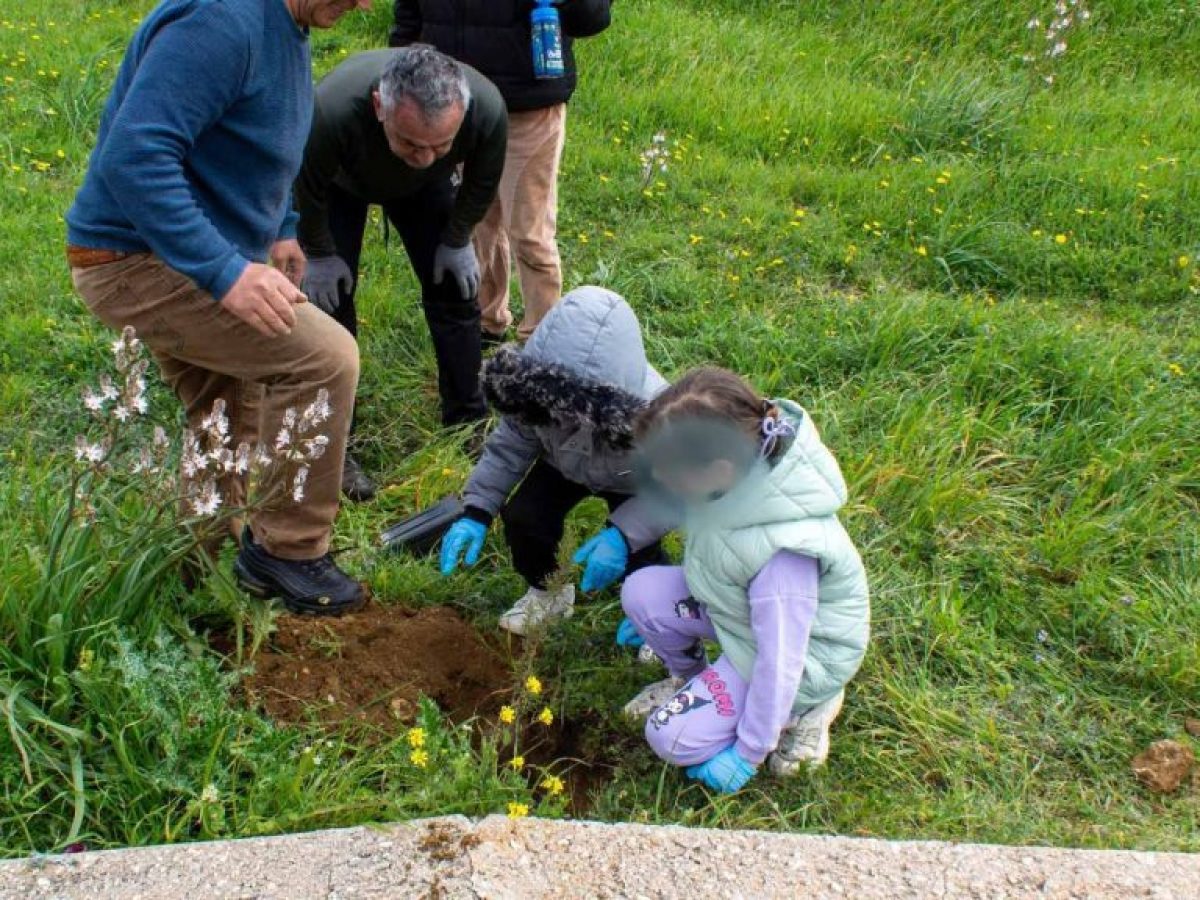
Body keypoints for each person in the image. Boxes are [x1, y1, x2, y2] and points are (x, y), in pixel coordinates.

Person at [66, 0, 371, 616]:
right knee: (325, 358)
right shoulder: (221, 22)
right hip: (132, 259)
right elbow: (135, 155)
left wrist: (282, 228)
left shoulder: (287, 27)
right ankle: (289, 553)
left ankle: (197, 570)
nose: (363, 3)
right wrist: (225, 272)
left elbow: (263, 145)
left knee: (227, 414)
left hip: (185, 254)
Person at [618, 368, 870, 793]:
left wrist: (749, 753)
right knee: (643, 593)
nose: (659, 478)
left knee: (669, 735)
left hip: (801, 657)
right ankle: (692, 681)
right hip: (744, 617)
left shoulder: (784, 558)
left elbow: (780, 661)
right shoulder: (730, 477)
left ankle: (808, 710)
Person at [294, 46, 508, 499]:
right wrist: (317, 251)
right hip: (340, 186)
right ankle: (336, 442)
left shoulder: (484, 109)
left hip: (424, 193)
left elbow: (483, 179)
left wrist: (457, 238)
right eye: (411, 142)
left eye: (441, 145)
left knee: (455, 290)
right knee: (328, 307)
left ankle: (467, 417)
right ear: (379, 107)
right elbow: (304, 183)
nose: (426, 155)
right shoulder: (329, 111)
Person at [439, 287, 673, 635]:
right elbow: (510, 445)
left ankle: (658, 619)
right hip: (563, 463)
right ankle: (548, 595)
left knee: (642, 553)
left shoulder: (659, 419)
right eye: (555, 412)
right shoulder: (533, 394)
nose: (563, 420)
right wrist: (477, 510)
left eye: (577, 413)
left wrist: (625, 534)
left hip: (635, 480)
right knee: (525, 519)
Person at [390, 0, 612, 343]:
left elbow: (593, 17)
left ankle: (542, 340)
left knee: (530, 231)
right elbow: (408, 12)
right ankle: (487, 320)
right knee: (478, 220)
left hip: (528, 104)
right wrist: (402, 67)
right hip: (456, 101)